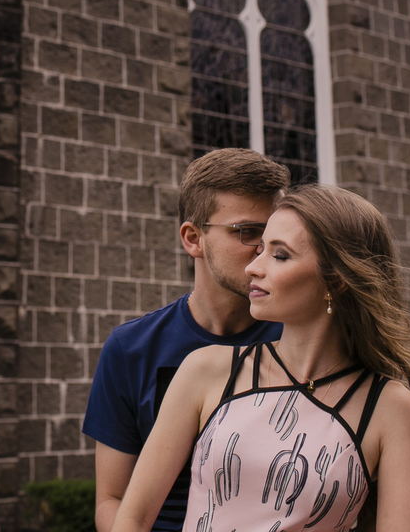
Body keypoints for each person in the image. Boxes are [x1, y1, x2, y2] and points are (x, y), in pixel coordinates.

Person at [109, 184, 410, 532]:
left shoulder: (389, 407)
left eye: (279, 255)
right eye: (259, 249)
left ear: (337, 279)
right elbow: (134, 518)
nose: (253, 267)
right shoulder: (206, 370)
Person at [84, 149, 291, 532]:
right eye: (248, 232)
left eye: (276, 234)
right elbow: (111, 499)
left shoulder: (300, 340)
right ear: (193, 239)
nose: (265, 248)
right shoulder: (131, 348)